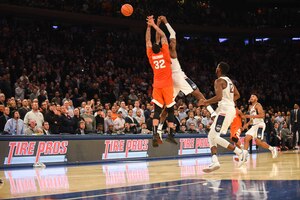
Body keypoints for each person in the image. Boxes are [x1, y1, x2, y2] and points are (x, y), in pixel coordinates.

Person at [154, 15, 215, 137]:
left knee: (167, 107)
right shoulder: (171, 50)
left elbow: (158, 38)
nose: (170, 41)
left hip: (170, 81)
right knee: (197, 93)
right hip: (178, 77)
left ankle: (159, 129)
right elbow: (173, 33)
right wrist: (165, 22)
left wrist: (157, 24)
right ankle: (212, 112)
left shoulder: (160, 51)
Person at [199, 62, 247, 172]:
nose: (215, 69)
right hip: (229, 109)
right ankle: (215, 161)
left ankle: (240, 152)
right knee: (211, 135)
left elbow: (219, 97)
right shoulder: (229, 81)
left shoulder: (219, 81)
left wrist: (206, 102)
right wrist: (229, 101)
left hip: (225, 110)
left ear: (219, 69)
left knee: (214, 136)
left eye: (216, 67)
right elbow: (237, 95)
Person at [145, 15, 177, 147]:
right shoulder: (165, 53)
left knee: (157, 111)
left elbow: (148, 40)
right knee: (170, 111)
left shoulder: (151, 56)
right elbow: (163, 35)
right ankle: (170, 134)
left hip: (157, 85)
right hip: (167, 86)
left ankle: (154, 133)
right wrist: (154, 25)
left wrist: (148, 26)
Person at [242, 94, 278, 159]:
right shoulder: (250, 107)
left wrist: (249, 116)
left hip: (260, 124)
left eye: (253, 96)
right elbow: (252, 119)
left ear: (257, 99)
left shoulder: (258, 105)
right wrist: (247, 124)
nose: (251, 97)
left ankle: (272, 149)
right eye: (250, 96)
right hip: (254, 125)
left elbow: (262, 115)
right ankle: (244, 156)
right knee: (246, 139)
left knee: (258, 142)